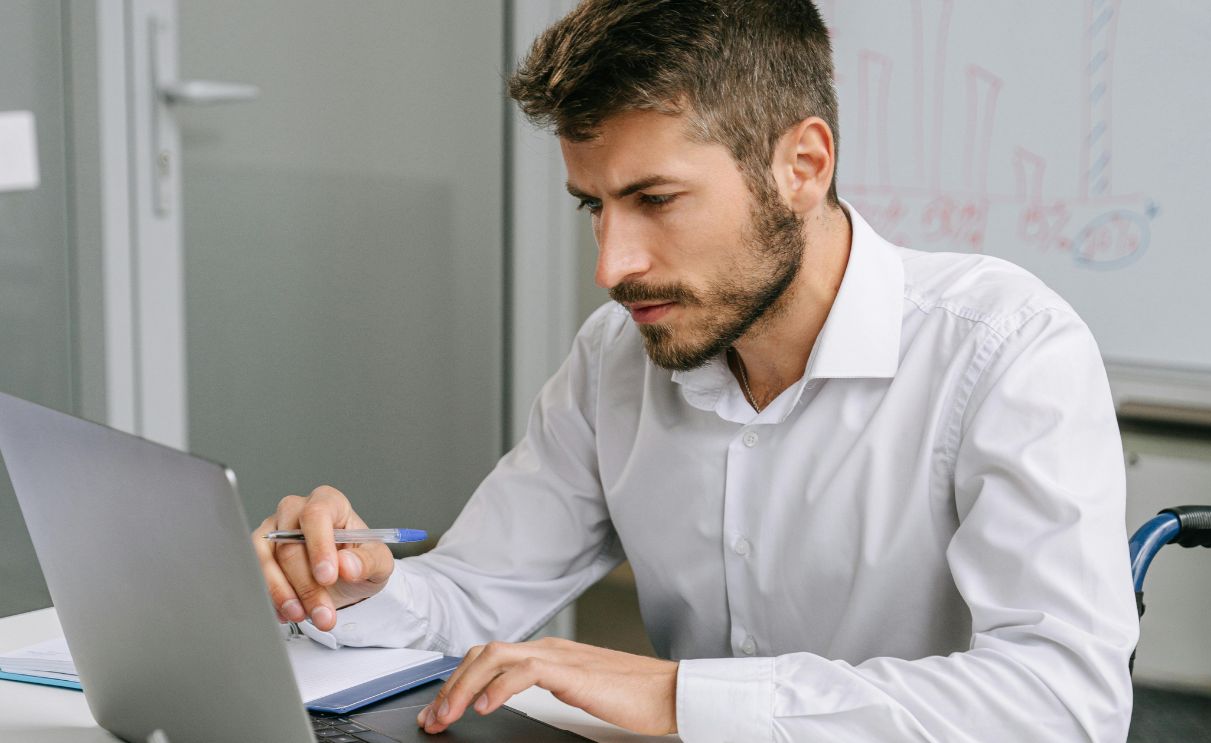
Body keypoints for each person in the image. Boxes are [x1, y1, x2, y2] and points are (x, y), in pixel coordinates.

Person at [252, 1, 1139, 740]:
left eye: (655, 200)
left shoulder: (1004, 347)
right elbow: (475, 591)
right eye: (592, 207)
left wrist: (679, 698)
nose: (611, 264)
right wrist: (352, 588)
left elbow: (1061, 702)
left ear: (802, 165)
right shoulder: (615, 354)